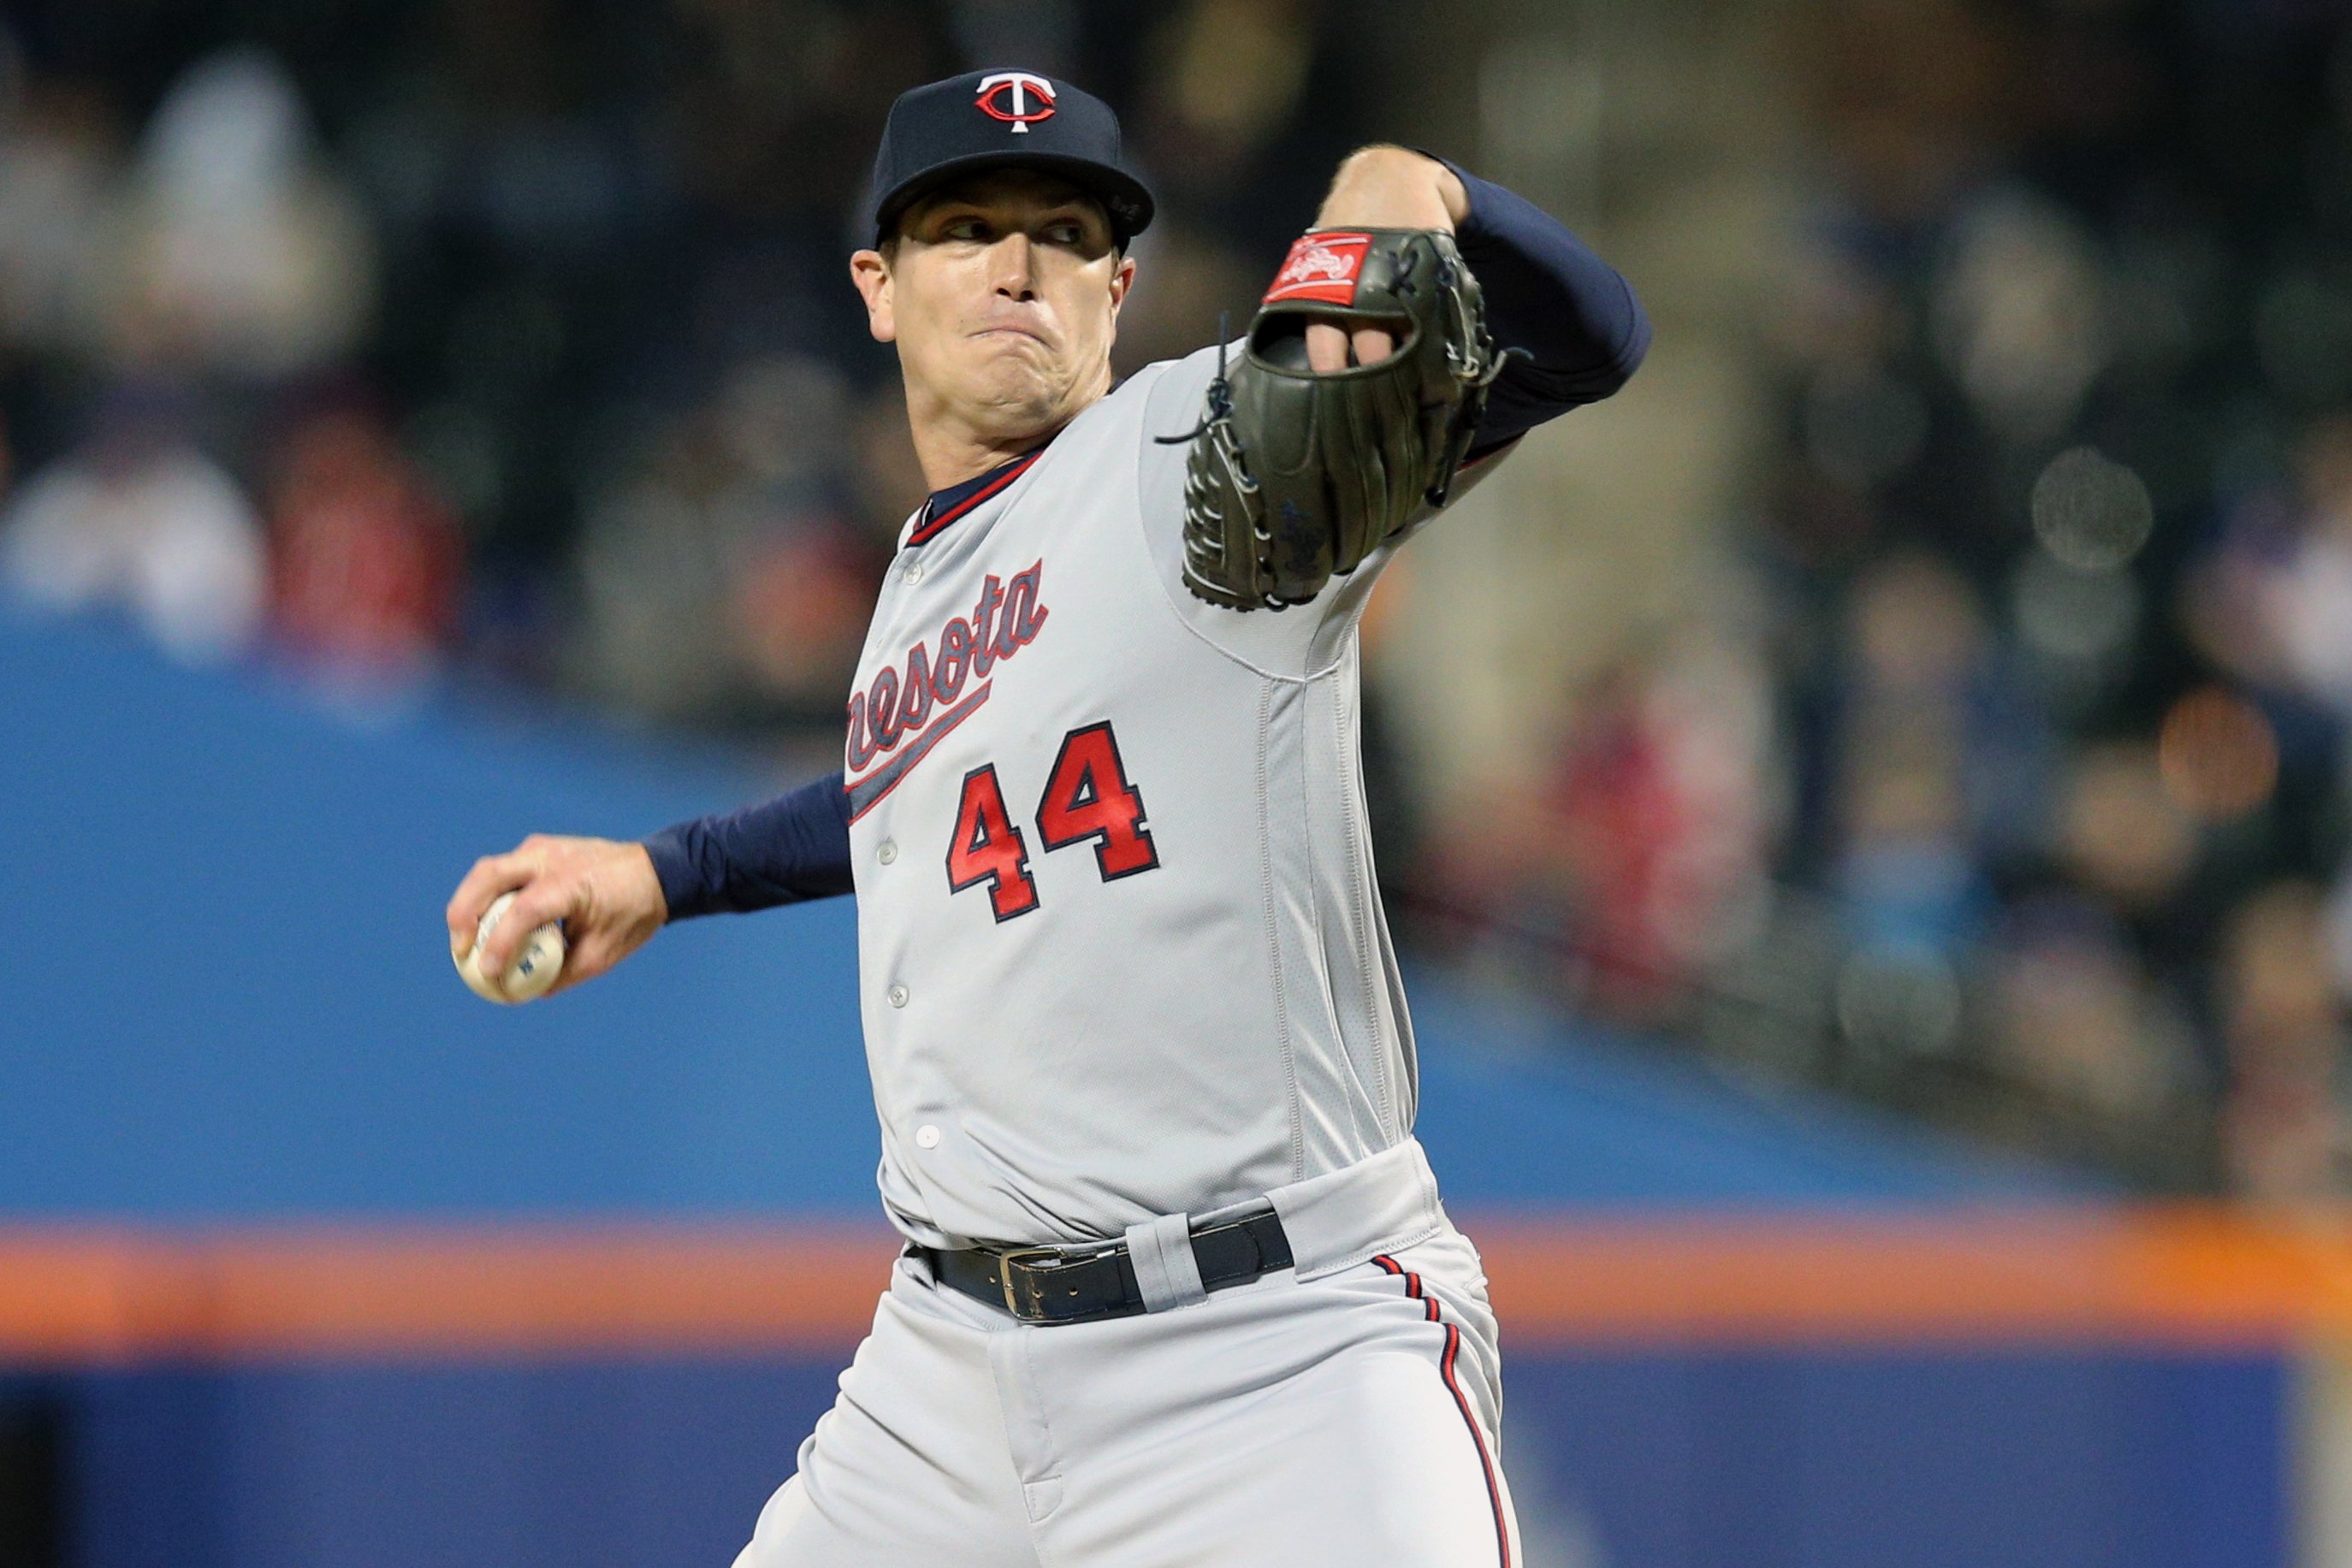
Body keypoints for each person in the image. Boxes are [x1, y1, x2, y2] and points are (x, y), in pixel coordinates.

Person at [446, 68, 1645, 1566]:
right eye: (967, 229)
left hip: (1272, 1350)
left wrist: (1426, 196)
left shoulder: (1200, 453)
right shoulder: (925, 579)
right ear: (878, 289)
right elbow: (919, 790)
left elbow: (1587, 339)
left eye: (1066, 234)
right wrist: (664, 870)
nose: (1018, 264)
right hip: (945, 1374)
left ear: (1116, 290)